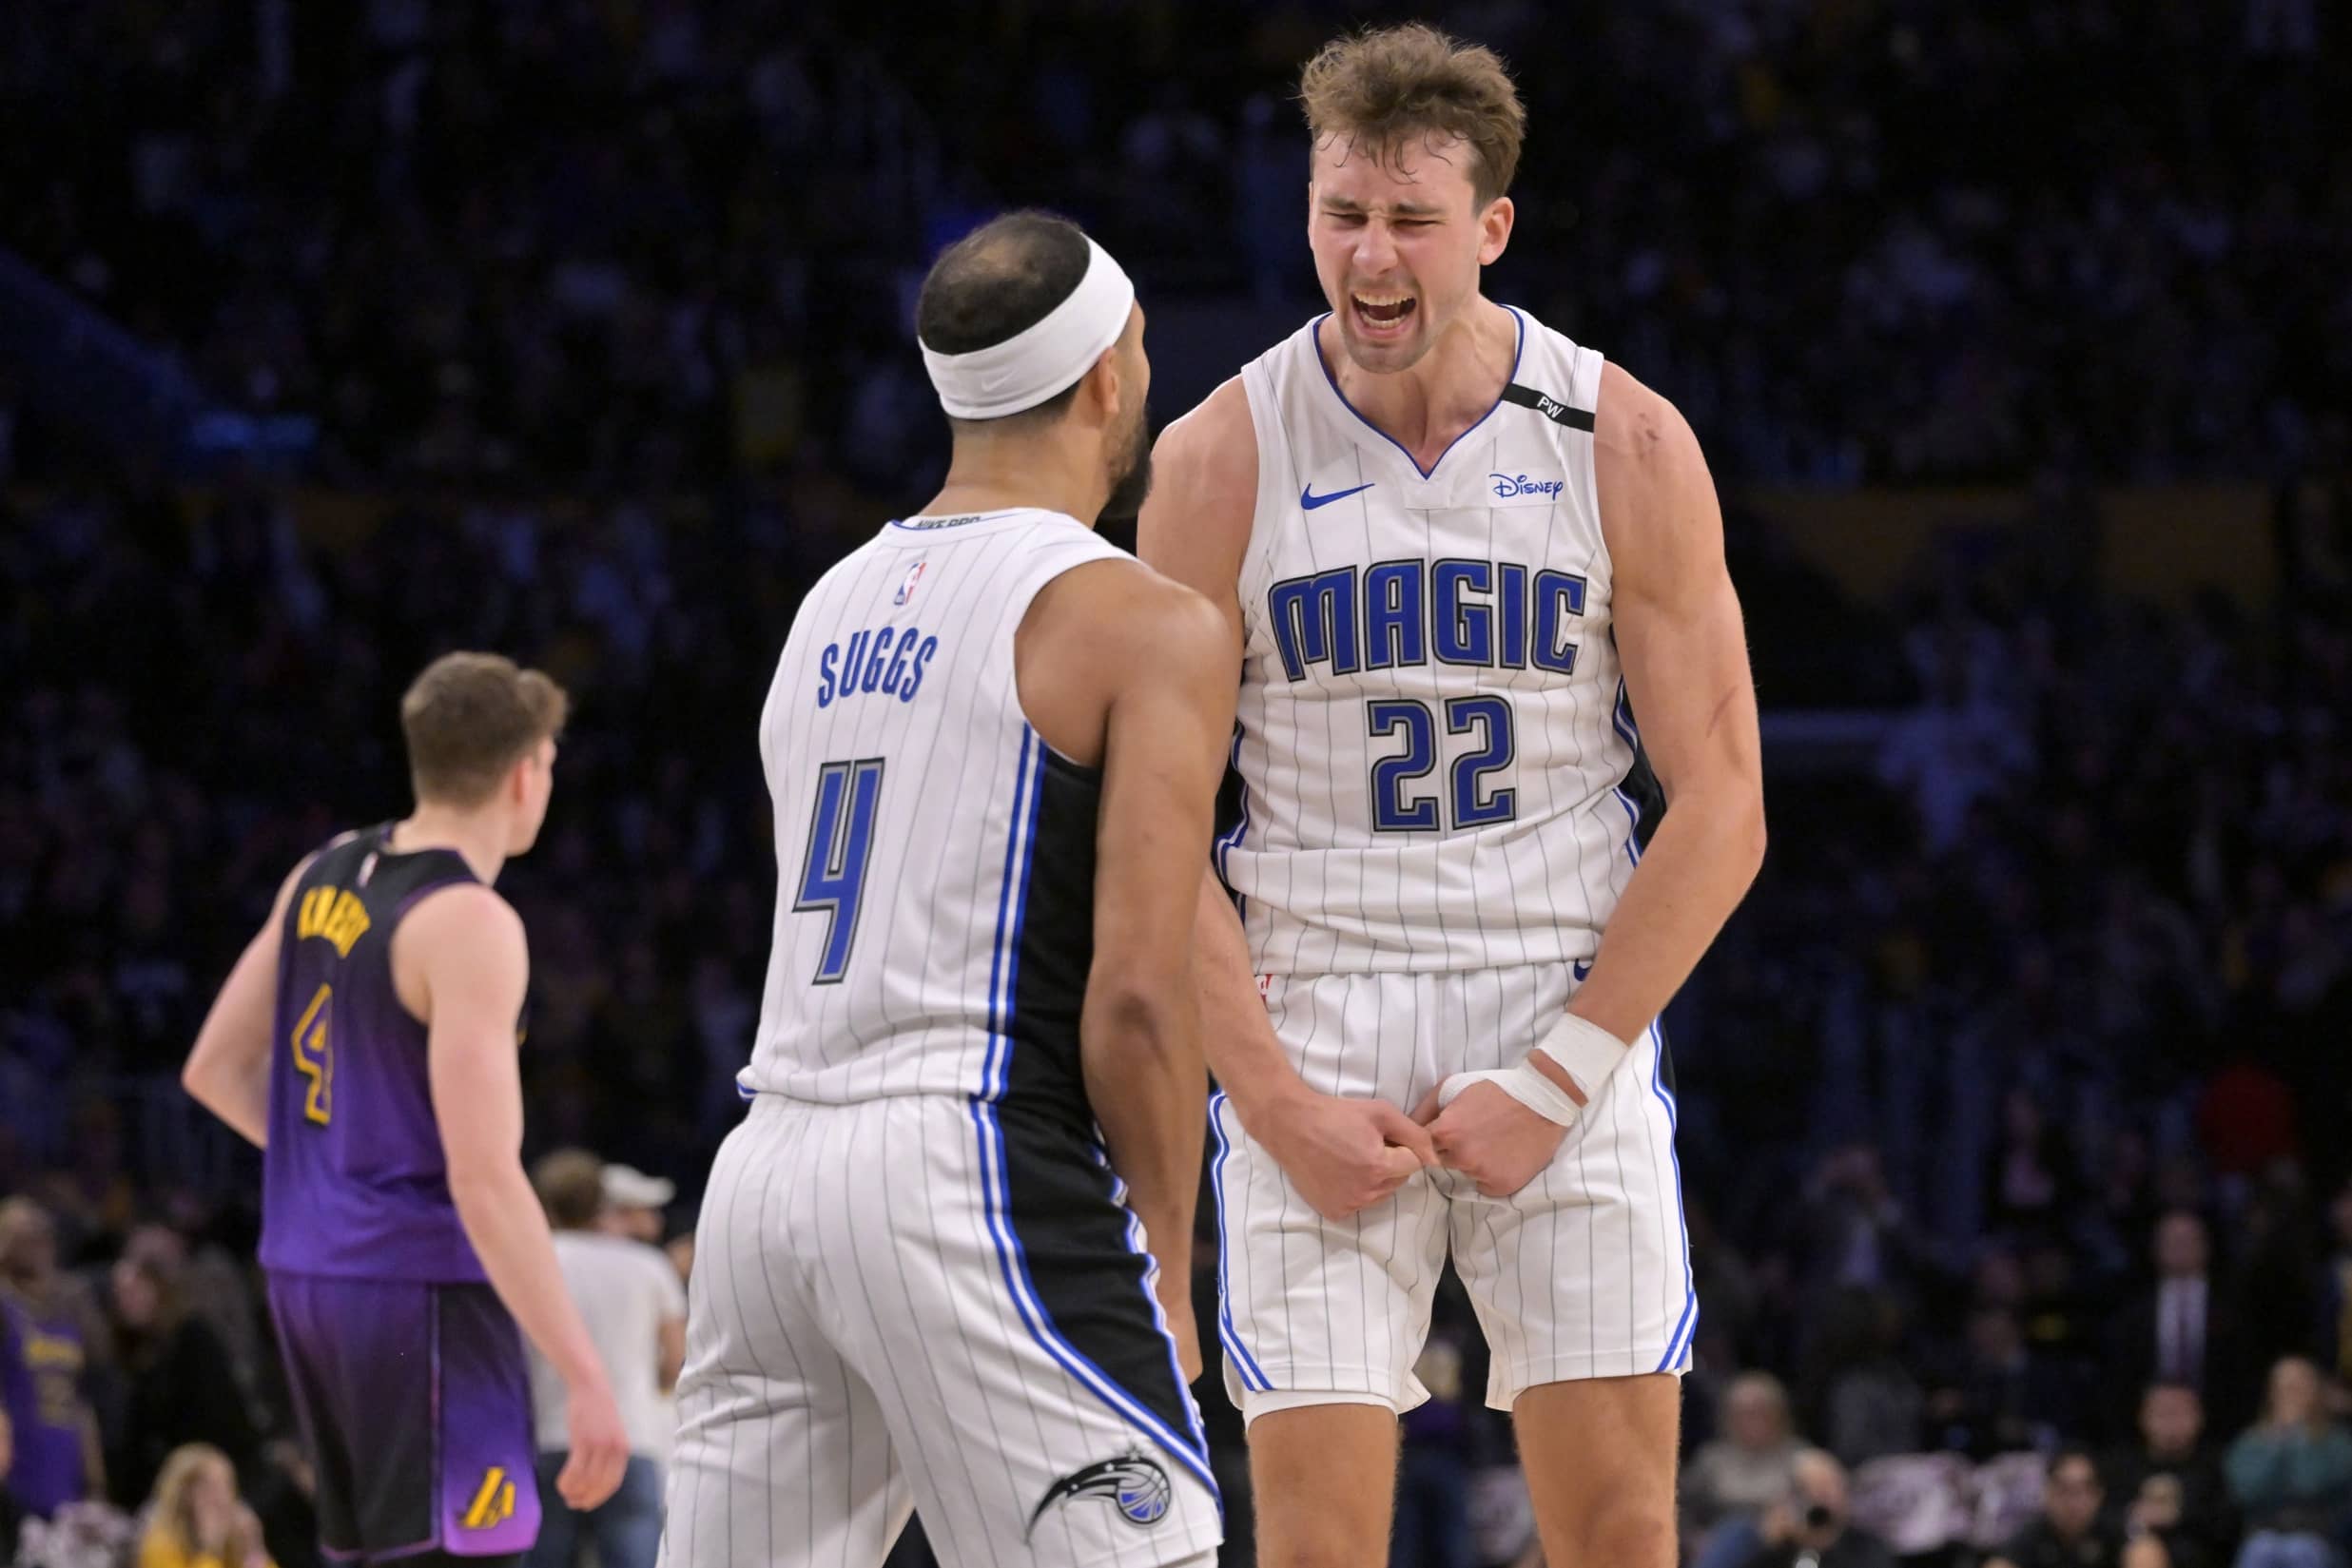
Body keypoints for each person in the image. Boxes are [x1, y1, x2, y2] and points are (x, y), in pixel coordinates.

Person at [1137, 23, 1766, 1567]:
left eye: (1408, 218)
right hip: (1311, 1005)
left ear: (1487, 228)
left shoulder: (1620, 436)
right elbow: (1146, 828)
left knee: (1619, 1530)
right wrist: (1270, 1099)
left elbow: (1725, 803)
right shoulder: (1219, 454)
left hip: (1554, 994)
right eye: (1338, 211)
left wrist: (1553, 1077)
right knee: (1313, 1543)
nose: (1367, 251)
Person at [661, 210, 1235, 1567]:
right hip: (963, 1153)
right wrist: (1162, 1242)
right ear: (1106, 376)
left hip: (766, 1174)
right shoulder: (1138, 619)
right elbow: (1141, 993)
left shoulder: (828, 604)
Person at [181, 652, 629, 1567]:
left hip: (308, 1275)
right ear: (524, 773)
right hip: (420, 1293)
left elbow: (216, 1069)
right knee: (461, 1555)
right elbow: (485, 1178)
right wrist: (585, 1374)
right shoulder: (471, 923)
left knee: (374, 1553)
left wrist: (342, 1166)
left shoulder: (323, 870)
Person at [525, 1152, 684, 1568]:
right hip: (630, 1436)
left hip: (547, 1435)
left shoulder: (530, 1261)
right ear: (601, 1202)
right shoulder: (649, 1267)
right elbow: (676, 1361)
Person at [0, 1199, 106, 1517]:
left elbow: (82, 1402)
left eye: (41, 1235)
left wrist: (96, 1480)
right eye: (23, 1236)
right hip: (15, 1469)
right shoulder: (5, 1307)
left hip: (64, 1464)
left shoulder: (70, 1307)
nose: (35, 1245)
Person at [2225, 1357, 2352, 1568]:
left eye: (2298, 1387)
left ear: (2315, 1392)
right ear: (2271, 1392)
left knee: (2300, 1550)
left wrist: (2298, 1437)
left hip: (2321, 1536)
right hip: (2261, 1533)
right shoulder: (2250, 1442)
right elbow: (2246, 1492)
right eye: (2284, 1387)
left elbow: (2309, 1485)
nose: (2290, 1395)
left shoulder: (2338, 1442)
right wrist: (2276, 1444)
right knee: (2261, 1550)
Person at [2100, 1383, 2237, 1568]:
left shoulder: (2217, 1466)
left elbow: (2227, 1526)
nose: (2171, 1423)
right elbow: (2099, 1517)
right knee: (2143, 1552)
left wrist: (2178, 1516)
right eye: (2162, 1413)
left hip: (2199, 1555)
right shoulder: (2120, 1465)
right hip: (2130, 1551)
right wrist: (2133, 1515)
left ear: (2199, 1418)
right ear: (2143, 1417)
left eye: (2179, 1413)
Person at [136, 1444, 273, 1568]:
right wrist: (209, 1548)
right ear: (185, 1494)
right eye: (210, 1488)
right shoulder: (160, 1545)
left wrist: (254, 1548)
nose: (222, 1499)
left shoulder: (233, 1538)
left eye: (227, 1486)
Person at [1988, 1450, 2126, 1568]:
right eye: (2064, 1490)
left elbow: (2140, 1554)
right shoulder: (2032, 1533)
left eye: (2082, 1491)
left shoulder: (2112, 1528)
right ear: (2047, 1493)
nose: (2073, 1503)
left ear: (2098, 1494)